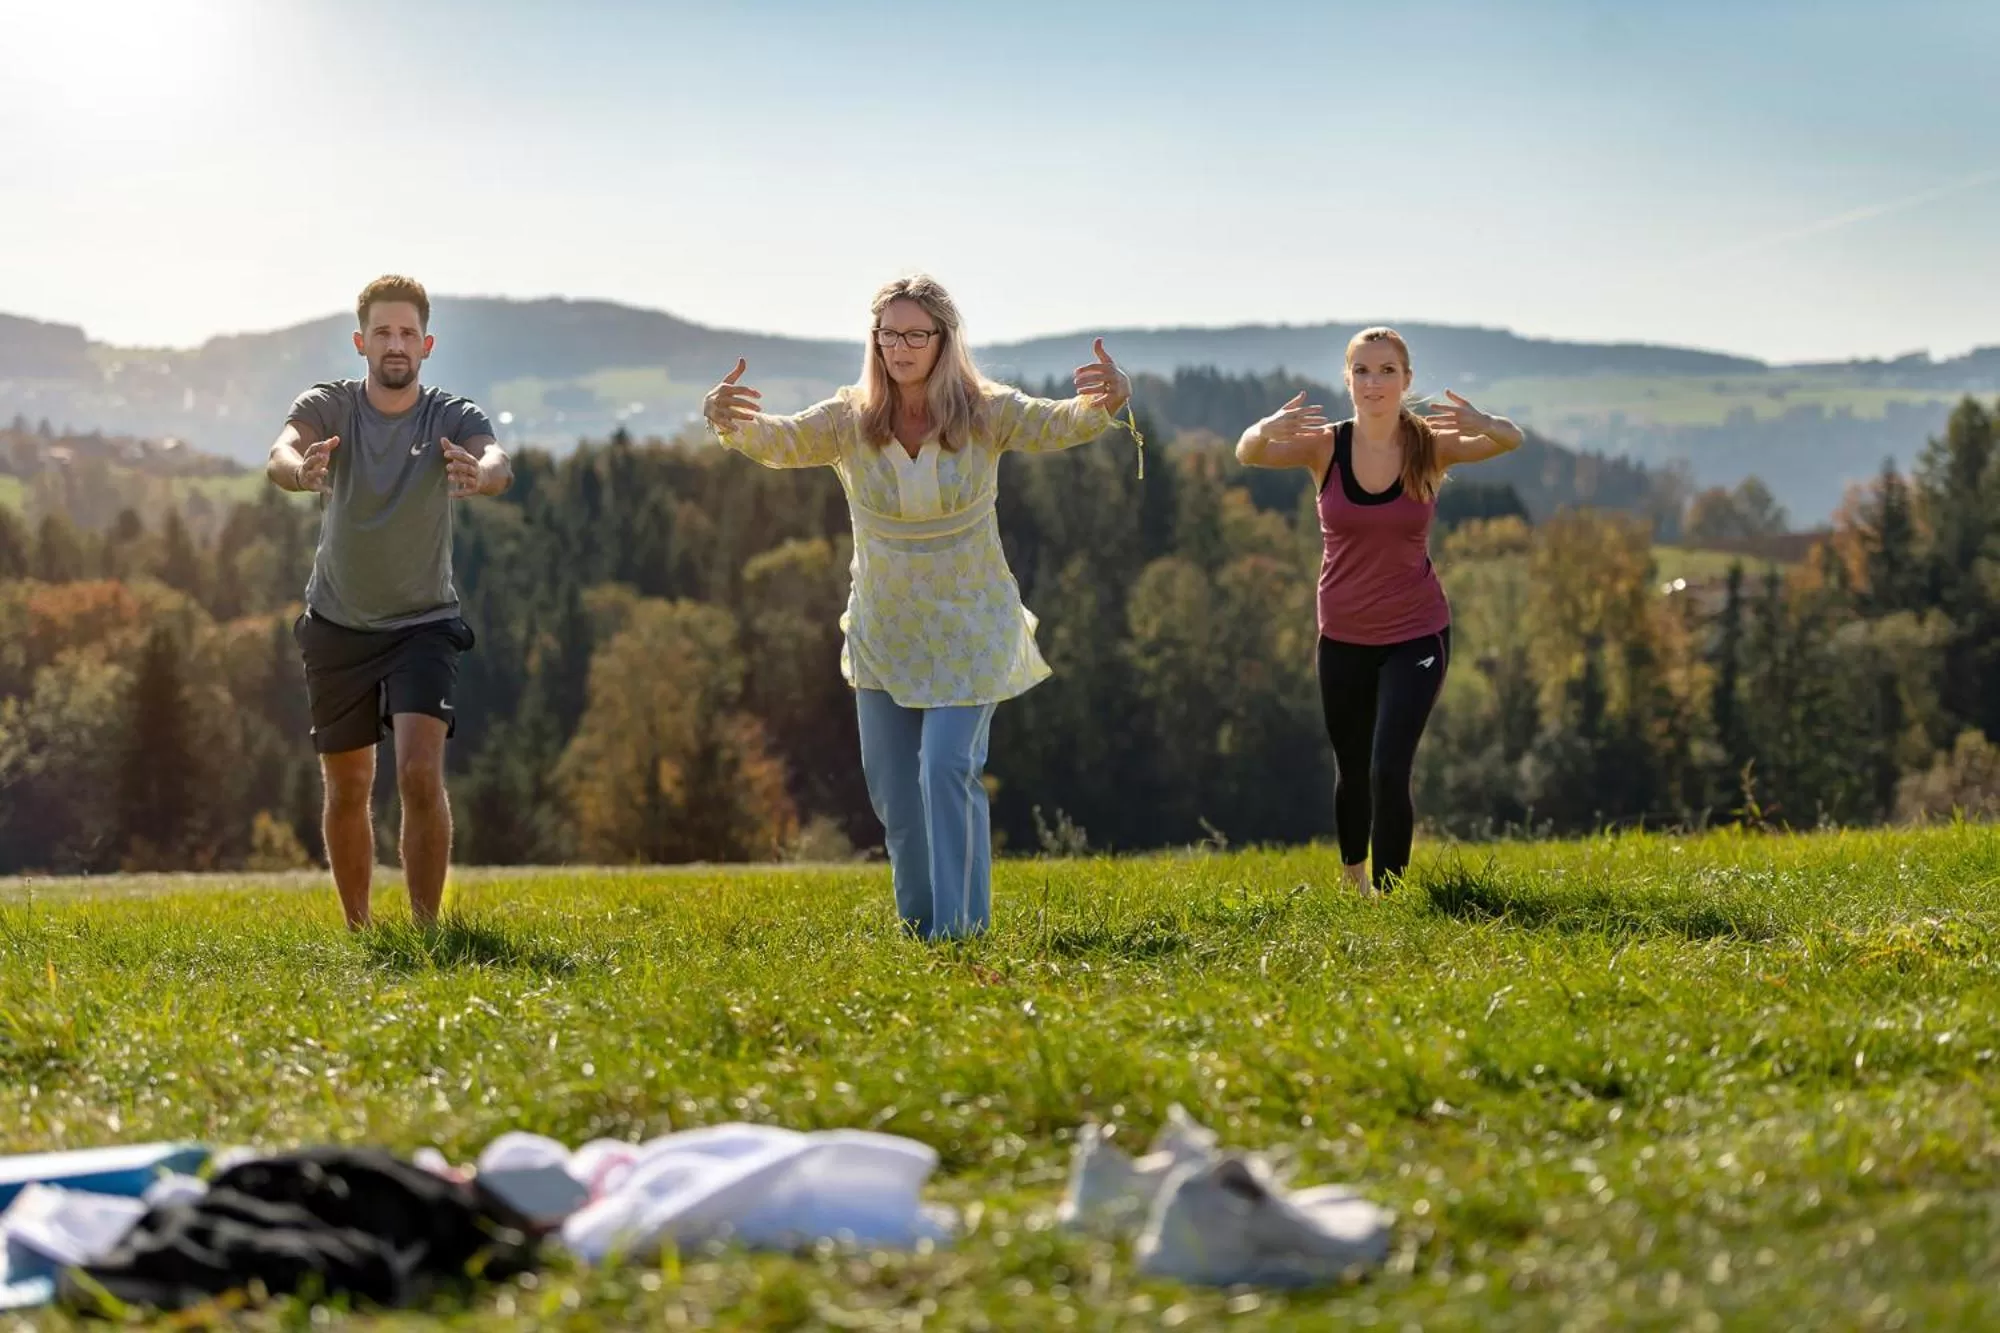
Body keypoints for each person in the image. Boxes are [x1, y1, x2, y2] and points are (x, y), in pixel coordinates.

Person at [702, 273, 1135, 941]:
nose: (900, 346)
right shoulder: (849, 419)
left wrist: (1104, 403)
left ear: (942, 340)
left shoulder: (985, 410)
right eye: (889, 334)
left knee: (947, 768)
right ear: (873, 341)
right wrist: (730, 421)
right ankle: (921, 928)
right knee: (898, 798)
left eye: (915, 334)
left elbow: (1058, 423)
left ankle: (962, 932)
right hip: (885, 628)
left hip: (971, 624)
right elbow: (781, 440)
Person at [1234, 327, 1522, 893]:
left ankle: (1391, 901)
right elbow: (1248, 452)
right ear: (1348, 380)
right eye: (1362, 370)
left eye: (1387, 370)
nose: (1374, 382)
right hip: (1341, 636)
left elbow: (1510, 440)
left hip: (1417, 633)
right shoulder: (1325, 446)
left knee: (1389, 766)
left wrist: (1486, 423)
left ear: (1406, 380)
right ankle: (1353, 879)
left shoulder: (1427, 444)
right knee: (1352, 770)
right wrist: (1262, 428)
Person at [265, 275, 513, 929]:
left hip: (423, 624)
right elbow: (280, 449)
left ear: (426, 344)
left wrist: (480, 475)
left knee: (417, 772)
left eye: (407, 332)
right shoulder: (333, 406)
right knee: (347, 786)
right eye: (383, 332)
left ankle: (428, 932)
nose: (395, 343)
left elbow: (498, 458)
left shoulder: (448, 415)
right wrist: (299, 470)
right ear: (361, 341)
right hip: (337, 622)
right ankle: (359, 929)